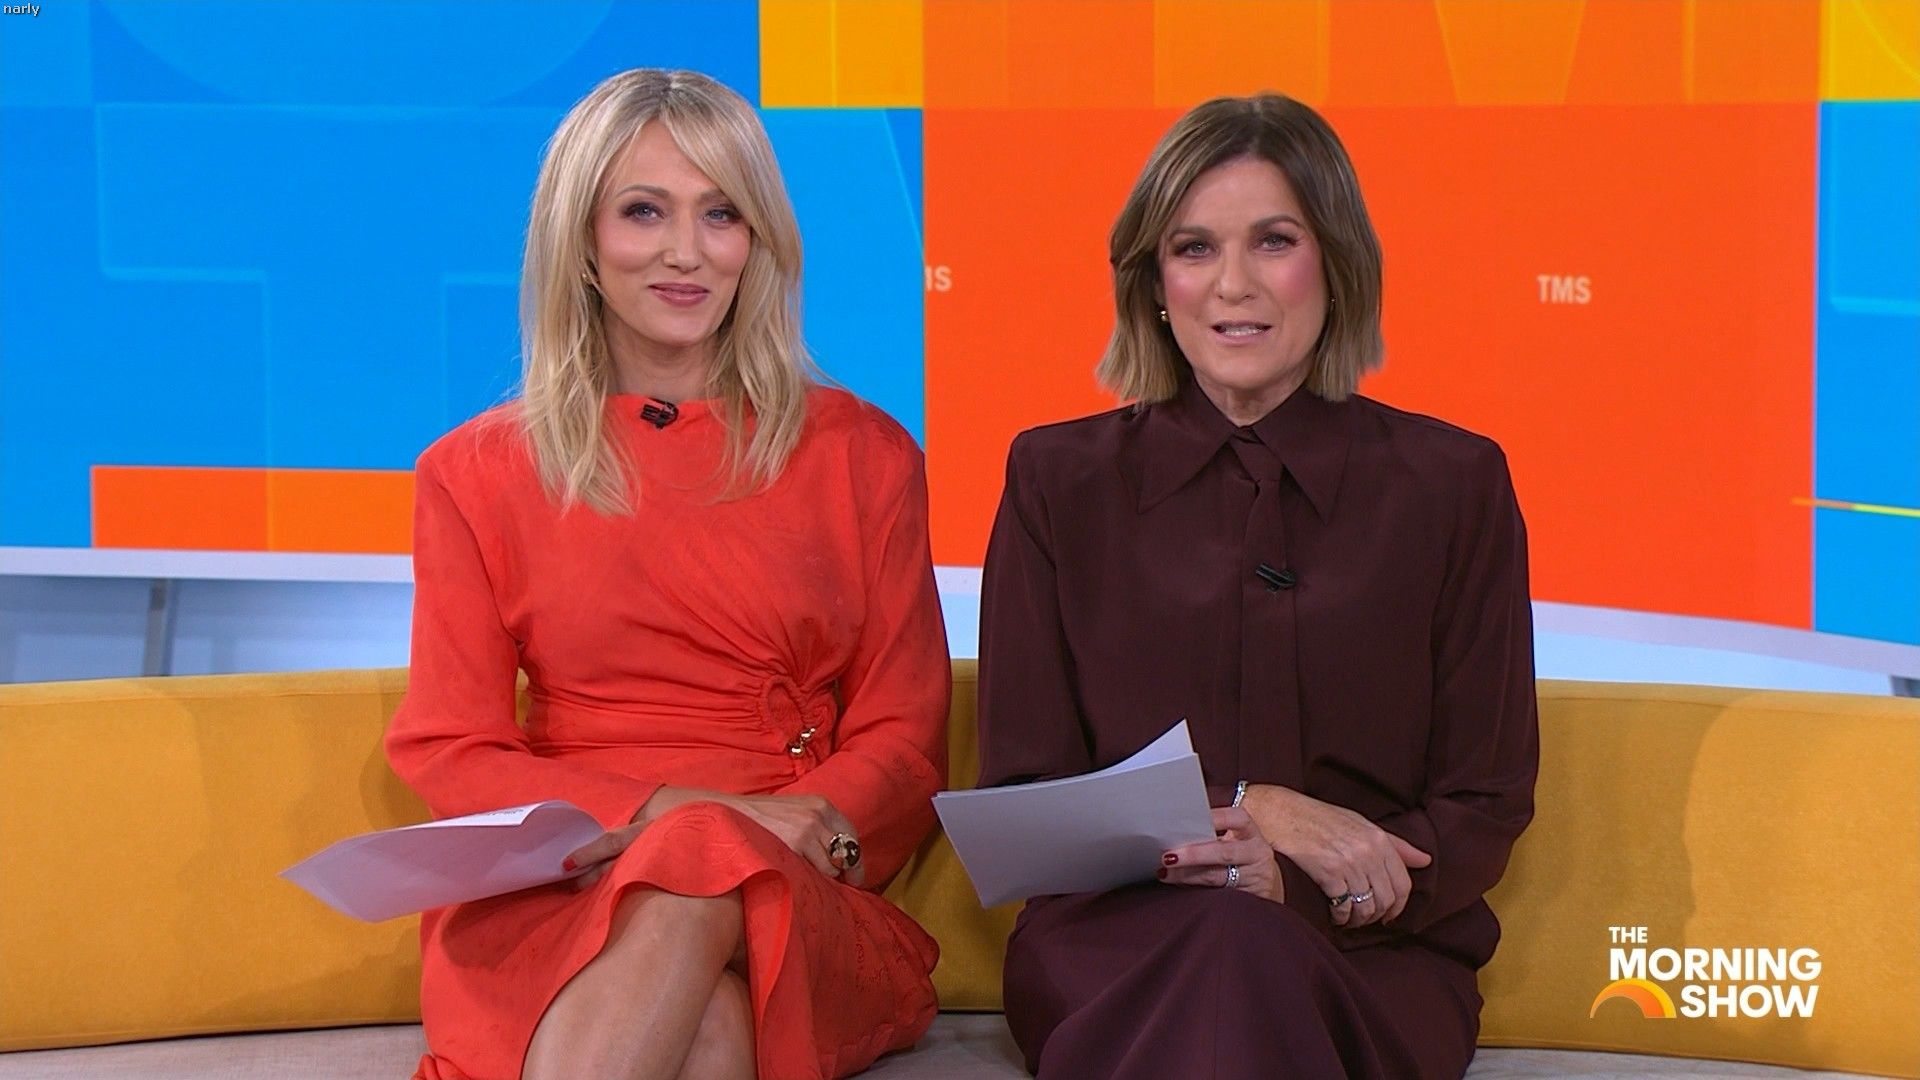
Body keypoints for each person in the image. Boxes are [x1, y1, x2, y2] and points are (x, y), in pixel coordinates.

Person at [385, 68, 950, 1080]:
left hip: (801, 875)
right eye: (644, 211)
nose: (687, 251)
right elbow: (452, 750)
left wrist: (784, 834)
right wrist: (677, 814)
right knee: (713, 1026)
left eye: (721, 214)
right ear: (582, 241)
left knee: (701, 877)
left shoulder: (863, 455)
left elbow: (905, 736)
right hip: (565, 879)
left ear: (758, 241)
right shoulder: (474, 474)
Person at [976, 93, 1539, 1080]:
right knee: (1227, 957)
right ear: (1155, 283)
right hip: (1118, 944)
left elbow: (1483, 801)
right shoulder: (1056, 482)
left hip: (1372, 951)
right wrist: (1248, 808)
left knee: (1249, 963)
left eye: (1274, 242)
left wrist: (1304, 891)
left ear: (1337, 265)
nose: (1232, 284)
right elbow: (1030, 802)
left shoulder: (1455, 485)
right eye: (1193, 248)